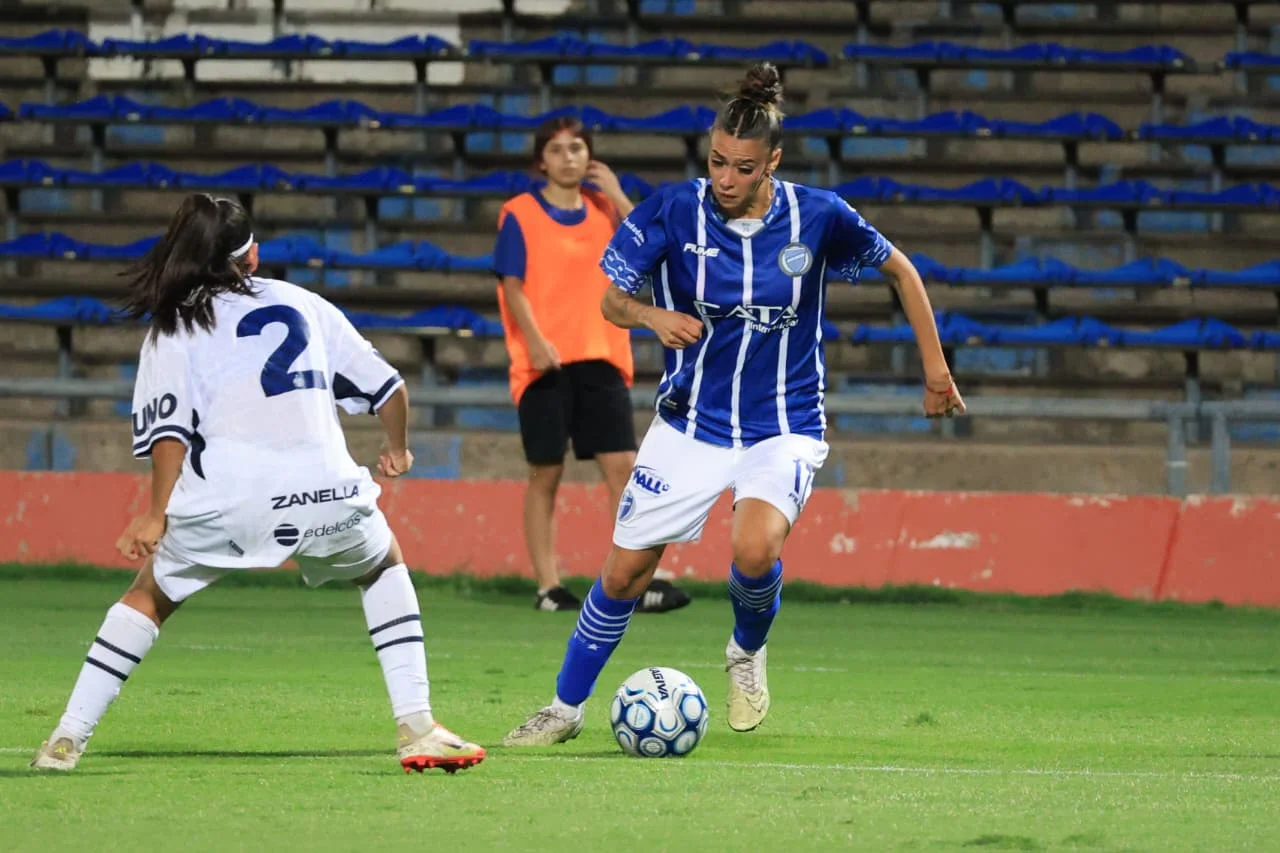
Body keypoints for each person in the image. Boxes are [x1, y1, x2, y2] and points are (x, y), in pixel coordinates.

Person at [503, 62, 965, 746]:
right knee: (625, 570)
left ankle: (746, 651)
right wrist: (653, 316)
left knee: (754, 549)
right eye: (717, 160)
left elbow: (900, 267)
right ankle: (564, 708)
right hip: (690, 420)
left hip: (784, 422)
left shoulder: (818, 216)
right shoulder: (672, 209)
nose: (724, 177)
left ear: (771, 162)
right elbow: (611, 300)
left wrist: (935, 368)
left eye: (742, 168)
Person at [30, 195, 485, 774]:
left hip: (229, 500)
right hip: (328, 494)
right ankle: (418, 724)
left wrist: (155, 512)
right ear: (253, 256)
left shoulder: (175, 324)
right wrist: (395, 449)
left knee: (148, 596)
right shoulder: (305, 303)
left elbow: (169, 430)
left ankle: (66, 740)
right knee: (383, 565)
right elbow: (391, 389)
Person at [494, 115, 690, 614]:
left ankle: (638, 580)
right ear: (542, 161)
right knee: (546, 472)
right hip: (545, 361)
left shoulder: (606, 210)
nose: (569, 158)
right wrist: (535, 341)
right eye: (557, 150)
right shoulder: (518, 213)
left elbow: (651, 247)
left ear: (591, 156)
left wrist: (620, 196)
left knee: (624, 469)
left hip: (602, 354)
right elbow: (512, 285)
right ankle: (548, 586)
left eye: (577, 148)